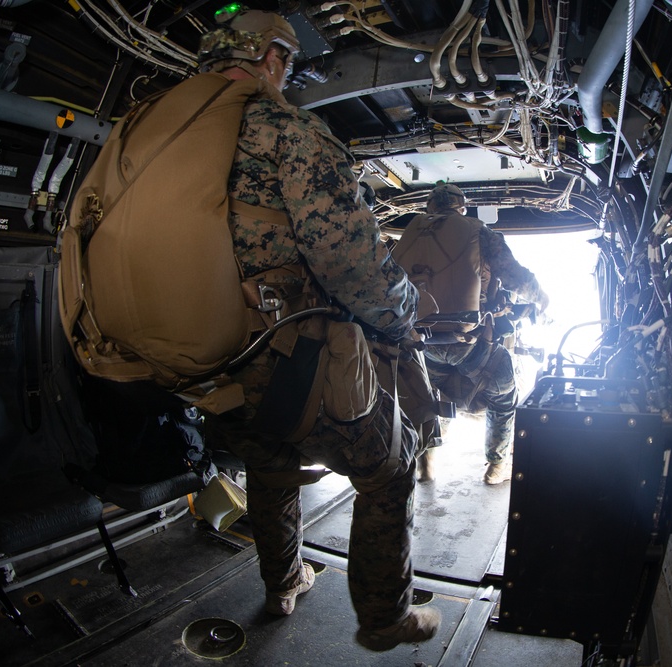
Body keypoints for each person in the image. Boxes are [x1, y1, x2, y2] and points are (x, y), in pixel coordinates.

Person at [195, 9, 439, 652]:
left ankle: (281, 585)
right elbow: (349, 262)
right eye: (289, 63)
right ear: (273, 58)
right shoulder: (285, 130)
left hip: (202, 368)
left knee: (269, 466)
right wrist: (402, 312)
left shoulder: (172, 141)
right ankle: (387, 619)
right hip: (289, 361)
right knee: (389, 465)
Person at [392, 184, 548, 485]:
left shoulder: (411, 236)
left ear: (430, 207)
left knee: (430, 398)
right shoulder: (479, 232)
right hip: (471, 345)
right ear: (461, 207)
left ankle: (426, 462)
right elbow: (514, 276)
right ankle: (496, 467)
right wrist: (542, 298)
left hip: (424, 345)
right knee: (504, 398)